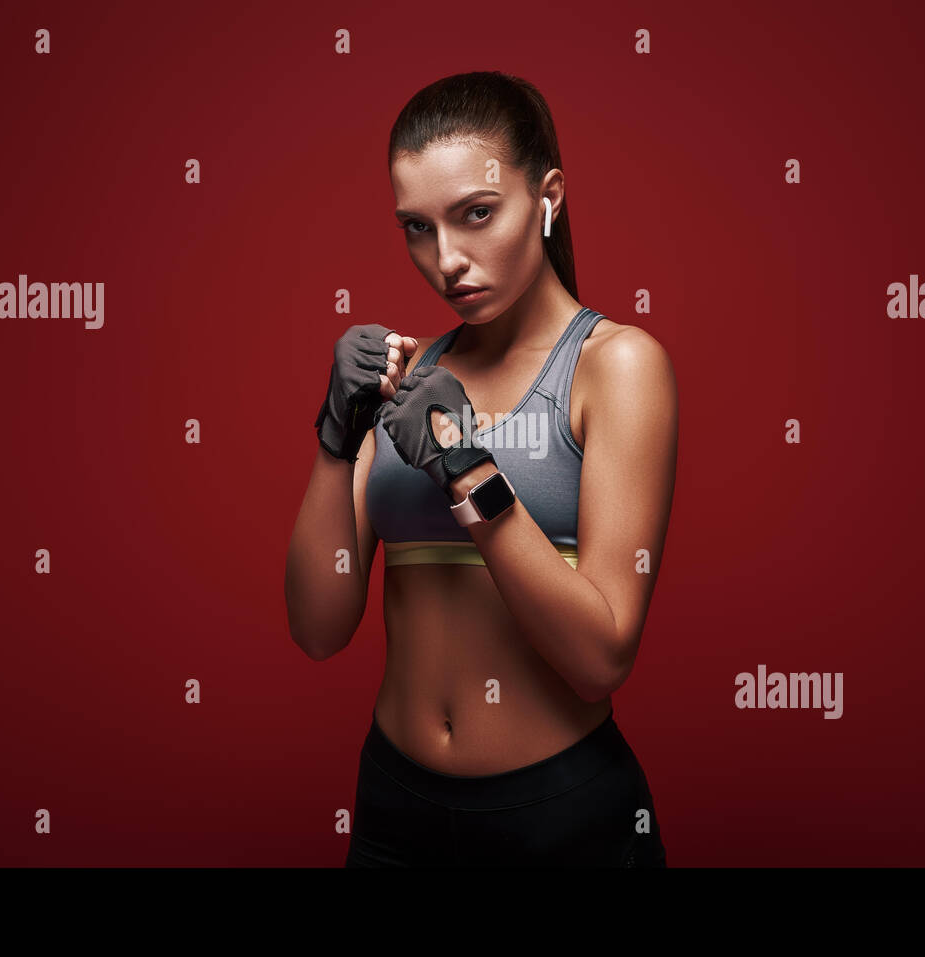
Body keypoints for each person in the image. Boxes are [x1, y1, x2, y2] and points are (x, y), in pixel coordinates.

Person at [285, 71, 678, 866]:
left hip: (560, 822)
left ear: (549, 197)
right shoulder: (410, 379)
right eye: (417, 228)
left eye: (475, 214)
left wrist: (467, 470)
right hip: (396, 811)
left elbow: (601, 659)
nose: (446, 260)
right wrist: (335, 436)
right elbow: (318, 629)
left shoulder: (617, 367)